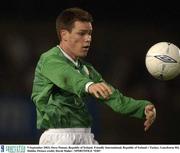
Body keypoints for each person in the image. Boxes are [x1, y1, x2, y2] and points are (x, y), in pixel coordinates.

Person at [31, 7, 156, 145]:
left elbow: (113, 97)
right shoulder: (49, 59)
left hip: (86, 137)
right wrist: (88, 85)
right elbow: (67, 76)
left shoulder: (86, 69)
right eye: (82, 33)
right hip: (59, 138)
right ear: (64, 34)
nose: (88, 39)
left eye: (90, 33)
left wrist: (142, 108)